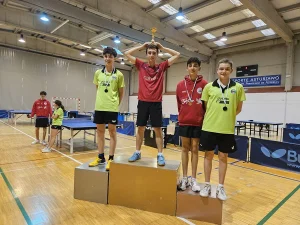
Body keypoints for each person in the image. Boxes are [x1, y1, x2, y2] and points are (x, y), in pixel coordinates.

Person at [125, 42, 180, 166]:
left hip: (156, 103)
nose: (151, 55)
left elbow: (177, 54)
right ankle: (137, 152)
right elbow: (126, 53)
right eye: (149, 53)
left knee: (158, 129)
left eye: (154, 53)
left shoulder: (162, 67)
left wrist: (163, 47)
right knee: (140, 128)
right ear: (146, 54)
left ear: (157, 55)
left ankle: (160, 154)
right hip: (143, 102)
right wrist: (141, 46)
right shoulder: (141, 65)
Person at [200, 58, 246, 200]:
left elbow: (238, 109)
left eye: (226, 69)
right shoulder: (209, 87)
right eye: (221, 69)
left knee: (223, 157)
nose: (223, 71)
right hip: (209, 127)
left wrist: (225, 117)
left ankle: (220, 187)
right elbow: (205, 106)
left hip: (226, 129)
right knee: (208, 155)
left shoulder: (238, 87)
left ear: (231, 71)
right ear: (217, 70)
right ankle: (207, 184)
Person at [89, 47, 125, 171]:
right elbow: (97, 88)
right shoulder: (98, 73)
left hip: (112, 108)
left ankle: (111, 158)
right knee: (100, 132)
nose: (107, 58)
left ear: (114, 58)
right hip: (99, 107)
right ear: (103, 57)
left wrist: (115, 105)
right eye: (105, 56)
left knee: (112, 132)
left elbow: (121, 93)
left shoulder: (119, 75)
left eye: (110, 56)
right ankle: (100, 157)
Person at [176, 57, 207, 192]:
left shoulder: (205, 84)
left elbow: (206, 105)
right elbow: (179, 103)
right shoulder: (180, 85)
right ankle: (184, 178)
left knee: (195, 149)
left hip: (198, 122)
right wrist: (183, 114)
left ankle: (193, 179)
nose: (193, 68)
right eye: (190, 65)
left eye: (195, 65)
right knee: (184, 148)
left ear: (199, 68)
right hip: (184, 121)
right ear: (187, 68)